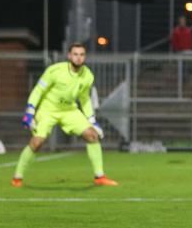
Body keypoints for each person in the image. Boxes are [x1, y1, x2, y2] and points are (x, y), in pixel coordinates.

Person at [12, 43, 117, 187]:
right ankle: (17, 178)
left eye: (81, 54)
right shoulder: (54, 70)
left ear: (84, 57)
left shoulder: (88, 76)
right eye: (75, 54)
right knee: (37, 143)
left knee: (92, 135)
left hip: (69, 111)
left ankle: (99, 176)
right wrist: (30, 111)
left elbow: (84, 99)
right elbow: (38, 91)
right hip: (48, 110)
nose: (78, 58)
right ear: (69, 56)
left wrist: (92, 120)